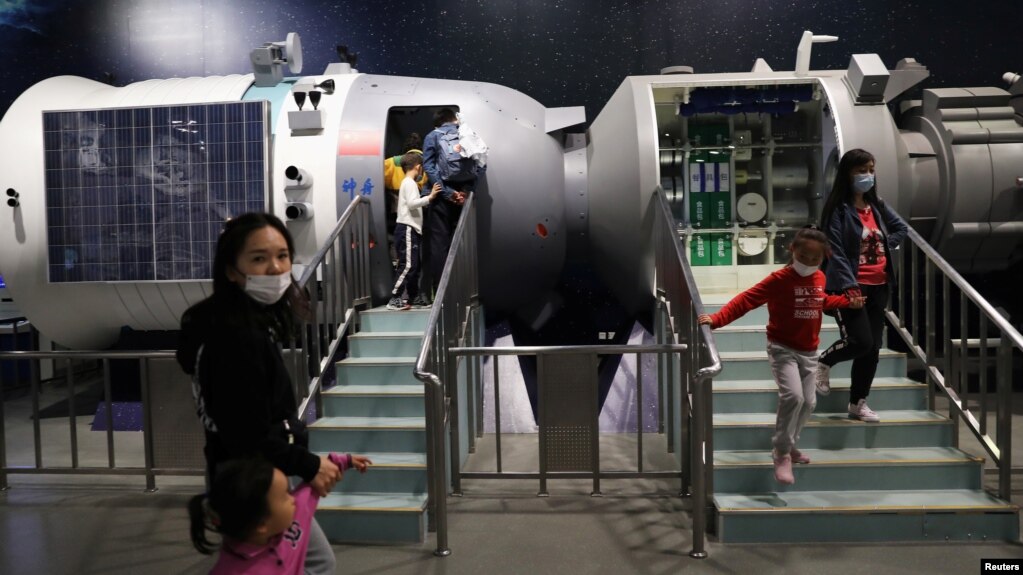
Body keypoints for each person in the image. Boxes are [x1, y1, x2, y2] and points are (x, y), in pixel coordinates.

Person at [176, 212, 342, 575]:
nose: (275, 267)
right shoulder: (235, 336)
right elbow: (248, 433)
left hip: (245, 472)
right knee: (314, 563)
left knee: (270, 562)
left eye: (282, 255)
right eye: (258, 258)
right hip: (257, 476)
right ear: (232, 270)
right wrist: (308, 465)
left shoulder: (231, 321)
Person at [699, 227, 863, 485]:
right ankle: (781, 452)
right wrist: (717, 319)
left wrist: (845, 302)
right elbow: (746, 300)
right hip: (782, 349)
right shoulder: (779, 280)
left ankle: (791, 444)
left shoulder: (819, 278)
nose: (808, 262)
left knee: (809, 403)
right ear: (792, 250)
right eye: (804, 255)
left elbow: (819, 301)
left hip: (810, 352)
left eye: (815, 259)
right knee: (793, 396)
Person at [815, 148, 909, 423]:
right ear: (847, 174)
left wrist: (883, 246)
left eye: (870, 169)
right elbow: (834, 249)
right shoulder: (838, 209)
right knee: (859, 342)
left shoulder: (876, 204)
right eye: (860, 170)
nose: (867, 175)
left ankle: (858, 403)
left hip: (879, 285)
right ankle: (824, 362)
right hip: (850, 287)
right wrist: (850, 286)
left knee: (873, 349)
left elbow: (901, 228)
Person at [189, 454, 370, 574]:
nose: (292, 499)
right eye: (285, 495)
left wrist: (342, 462)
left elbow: (305, 495)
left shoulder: (291, 529)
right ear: (262, 524)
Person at [422, 108, 480, 292]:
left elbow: (429, 167)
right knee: (464, 241)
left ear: (438, 122)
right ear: (455, 119)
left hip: (441, 196)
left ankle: (443, 290)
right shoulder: (469, 135)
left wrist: (447, 192)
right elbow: (481, 165)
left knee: (439, 242)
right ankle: (465, 287)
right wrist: (465, 191)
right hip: (464, 198)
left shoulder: (433, 136)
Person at [388, 153, 441, 309]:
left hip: (410, 229)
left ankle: (412, 296)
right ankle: (395, 297)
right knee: (408, 265)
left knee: (413, 265)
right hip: (407, 228)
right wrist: (430, 197)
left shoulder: (407, 183)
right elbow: (412, 204)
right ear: (418, 167)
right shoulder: (409, 183)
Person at [383, 133, 428, 271]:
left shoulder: (390, 162)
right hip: (420, 209)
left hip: (396, 209)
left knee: (398, 242)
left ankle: (398, 265)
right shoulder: (427, 162)